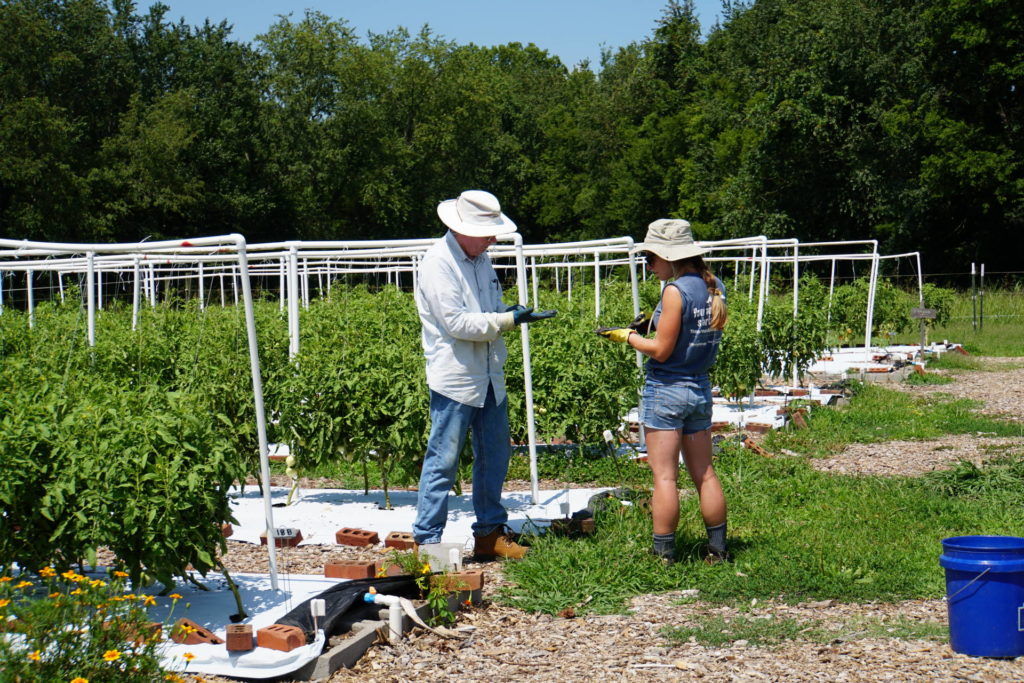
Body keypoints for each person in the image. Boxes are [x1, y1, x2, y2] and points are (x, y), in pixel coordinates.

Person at [412, 189, 556, 561]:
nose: (493, 239)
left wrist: (507, 310)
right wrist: (509, 319)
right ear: (462, 229)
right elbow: (457, 322)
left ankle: (489, 534)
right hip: (456, 378)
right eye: (487, 232)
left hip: (490, 374)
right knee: (443, 460)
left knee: (494, 456)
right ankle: (428, 543)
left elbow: (487, 310)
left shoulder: (481, 260)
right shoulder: (438, 263)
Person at [597, 218, 729, 564]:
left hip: (667, 390)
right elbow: (689, 331)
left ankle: (664, 555)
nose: (649, 266)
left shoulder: (675, 291)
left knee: (666, 477)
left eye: (651, 258)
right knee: (705, 473)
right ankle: (718, 549)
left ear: (670, 257)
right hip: (699, 388)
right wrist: (650, 325)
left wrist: (628, 336)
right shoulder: (715, 287)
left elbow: (661, 350)